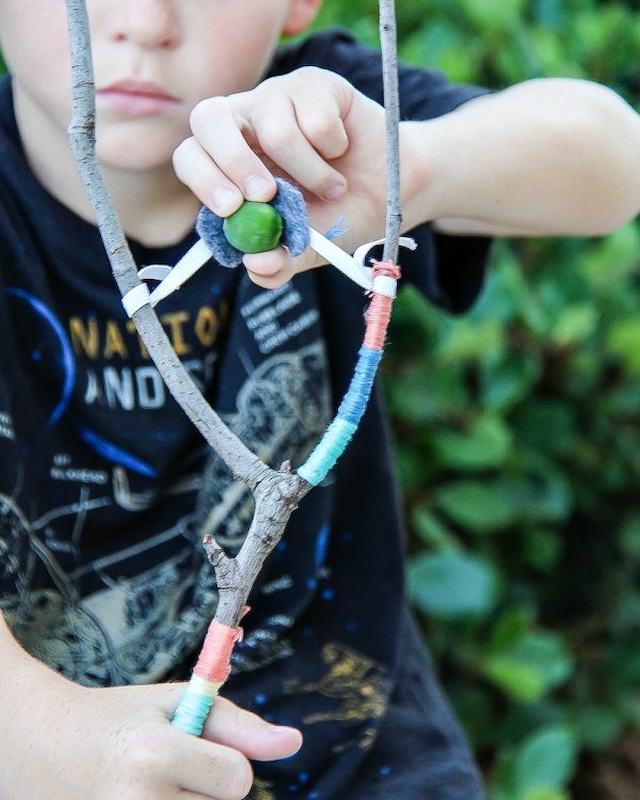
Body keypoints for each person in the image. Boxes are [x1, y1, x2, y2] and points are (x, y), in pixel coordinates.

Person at [0, 1, 639, 799]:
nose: (143, 19)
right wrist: (45, 736)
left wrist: (418, 167)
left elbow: (615, 156)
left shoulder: (327, 135)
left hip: (364, 765)